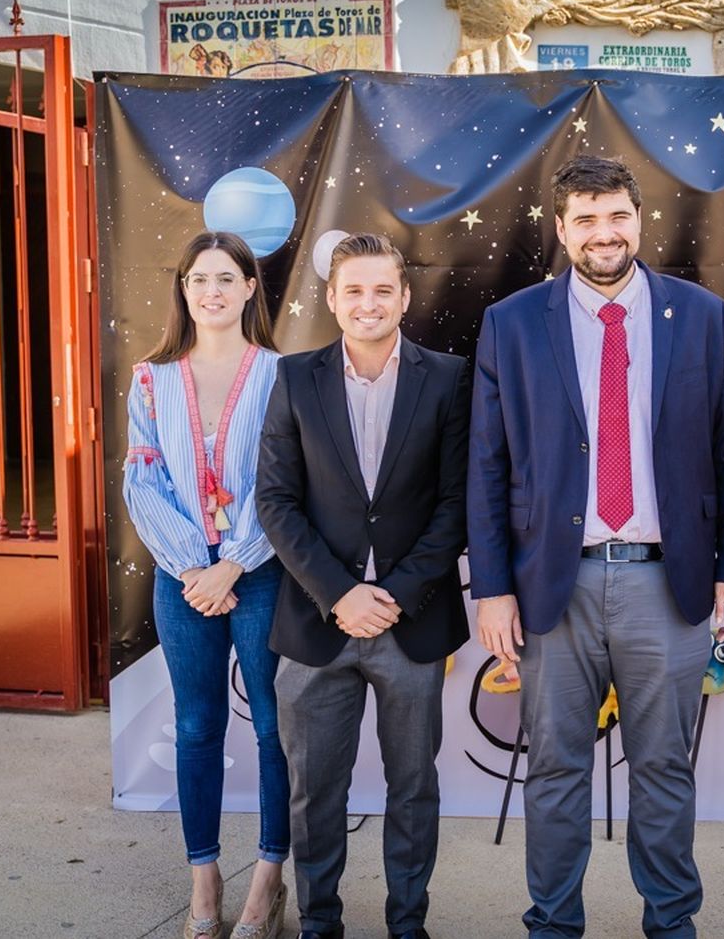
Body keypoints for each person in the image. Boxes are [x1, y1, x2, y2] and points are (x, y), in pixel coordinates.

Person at [467, 155, 724, 939]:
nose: (605, 233)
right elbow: (487, 464)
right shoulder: (513, 322)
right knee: (556, 770)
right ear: (560, 229)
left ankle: (671, 923)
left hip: (670, 582)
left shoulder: (700, 315)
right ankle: (553, 925)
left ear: (639, 219)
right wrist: (490, 587)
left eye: (617, 216)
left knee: (664, 769)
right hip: (548, 588)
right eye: (586, 219)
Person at [256, 233, 471, 939]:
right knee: (314, 791)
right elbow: (276, 501)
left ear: (405, 297)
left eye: (383, 289)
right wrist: (340, 593)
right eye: (354, 290)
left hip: (412, 625)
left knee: (414, 787)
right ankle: (321, 921)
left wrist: (396, 593)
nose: (368, 303)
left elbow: (456, 503)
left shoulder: (448, 378)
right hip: (318, 625)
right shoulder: (295, 378)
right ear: (332, 298)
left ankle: (408, 922)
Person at [122, 231, 288, 939]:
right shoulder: (151, 377)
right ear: (183, 290)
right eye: (198, 280)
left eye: (226, 278)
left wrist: (234, 562)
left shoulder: (285, 374)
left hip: (261, 573)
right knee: (197, 726)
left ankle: (270, 881)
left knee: (278, 730)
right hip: (183, 581)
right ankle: (205, 879)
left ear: (251, 286)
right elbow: (143, 479)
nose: (211, 291)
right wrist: (194, 566)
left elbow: (287, 481)